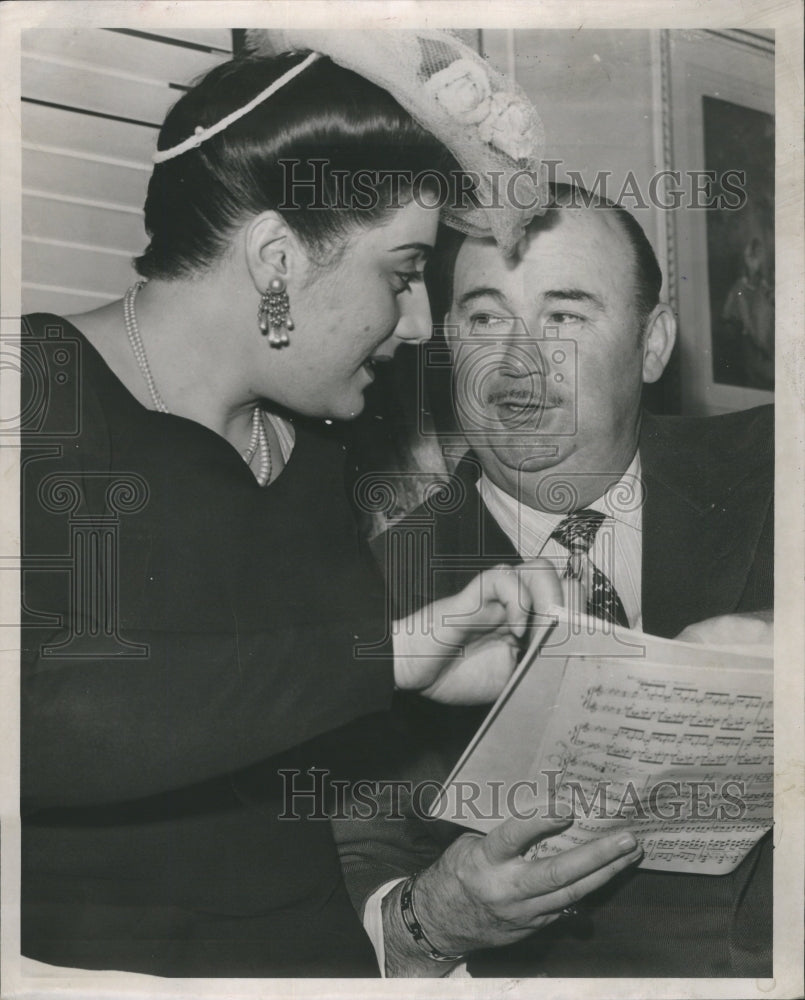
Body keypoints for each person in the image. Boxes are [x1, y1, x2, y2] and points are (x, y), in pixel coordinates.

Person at [19, 38, 642, 978]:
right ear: (276, 258)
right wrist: (384, 659)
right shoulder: (28, 390)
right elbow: (38, 721)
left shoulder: (314, 450)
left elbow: (287, 773)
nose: (421, 326)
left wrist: (447, 682)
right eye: (400, 274)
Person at [334, 182, 773, 977]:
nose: (517, 361)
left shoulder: (782, 465)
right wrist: (433, 916)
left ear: (652, 345)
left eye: (563, 315)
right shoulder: (371, 591)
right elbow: (348, 880)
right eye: (483, 317)